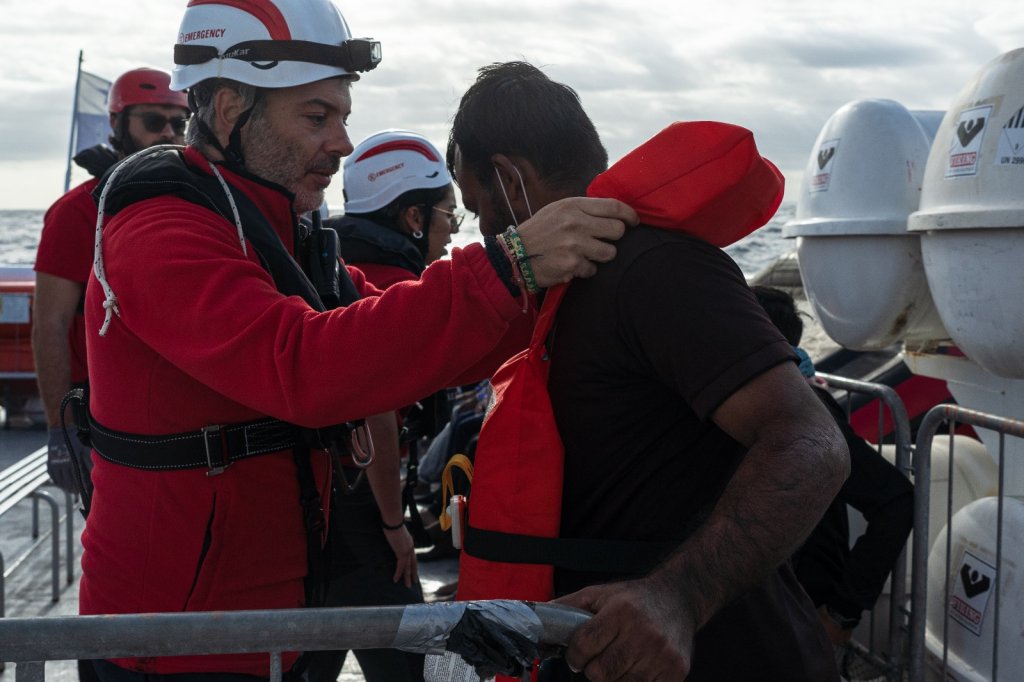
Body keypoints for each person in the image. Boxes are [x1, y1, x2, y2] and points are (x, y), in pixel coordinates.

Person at [79, 3, 634, 681]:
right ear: (229, 109)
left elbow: (397, 339)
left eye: (343, 115)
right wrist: (508, 263)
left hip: (279, 624)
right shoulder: (160, 227)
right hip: (174, 645)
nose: (343, 143)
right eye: (317, 117)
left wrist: (547, 297)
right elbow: (303, 366)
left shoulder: (285, 231)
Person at [448, 62, 849, 681]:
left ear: (511, 179)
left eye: (481, 211)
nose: (485, 233)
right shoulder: (571, 293)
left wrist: (678, 597)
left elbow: (812, 442)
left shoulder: (653, 270)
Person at [305, 130, 464, 682]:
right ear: (414, 218)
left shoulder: (327, 270)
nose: (452, 231)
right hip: (363, 509)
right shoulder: (404, 295)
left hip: (315, 508)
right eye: (450, 214)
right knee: (408, 667)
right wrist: (394, 523)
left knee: (309, 651)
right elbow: (377, 416)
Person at [32, 67, 189, 495]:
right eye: (153, 122)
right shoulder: (76, 213)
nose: (170, 133)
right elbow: (49, 325)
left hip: (179, 415)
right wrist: (59, 431)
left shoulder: (193, 204)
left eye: (179, 123)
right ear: (118, 126)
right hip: (104, 419)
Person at [751, 285, 915, 647]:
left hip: (798, 613)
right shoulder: (732, 404)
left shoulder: (805, 410)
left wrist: (842, 611)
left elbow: (895, 500)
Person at [330, 129, 462, 285]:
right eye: (449, 213)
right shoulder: (408, 295)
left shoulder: (333, 273)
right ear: (415, 217)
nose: (455, 229)